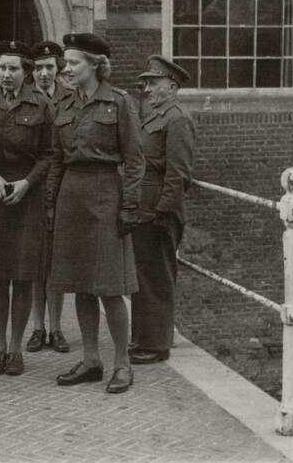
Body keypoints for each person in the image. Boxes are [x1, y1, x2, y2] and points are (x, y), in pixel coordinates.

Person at [45, 33, 145, 394]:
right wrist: (51, 206)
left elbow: (135, 160)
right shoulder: (63, 105)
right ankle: (90, 360)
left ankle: (122, 363)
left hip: (105, 195)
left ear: (95, 65)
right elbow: (56, 161)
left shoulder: (119, 103)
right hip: (72, 195)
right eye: (65, 63)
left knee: (109, 287)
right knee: (79, 286)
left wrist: (129, 206)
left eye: (73, 63)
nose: (66, 69)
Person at [0, 40, 54, 376]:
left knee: (23, 277)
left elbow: (50, 154)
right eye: (2, 68)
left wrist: (27, 183)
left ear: (26, 72)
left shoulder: (41, 105)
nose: (6, 74)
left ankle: (15, 348)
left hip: (28, 196)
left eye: (13, 69)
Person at [130, 55, 196, 364]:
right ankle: (143, 338)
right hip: (145, 207)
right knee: (143, 275)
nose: (147, 89)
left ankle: (157, 344)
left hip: (159, 210)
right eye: (146, 83)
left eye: (153, 83)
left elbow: (178, 172)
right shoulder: (154, 115)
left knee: (158, 276)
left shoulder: (177, 119)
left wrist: (164, 211)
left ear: (171, 86)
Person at [25, 40, 69, 354]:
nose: (43, 74)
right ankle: (38, 327)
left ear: (58, 70)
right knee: (34, 263)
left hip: (63, 187)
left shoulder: (70, 98)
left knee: (56, 263)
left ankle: (57, 327)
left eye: (48, 68)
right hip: (33, 188)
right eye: (38, 68)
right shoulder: (24, 100)